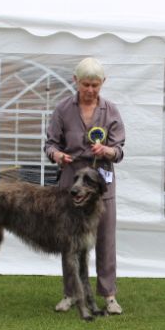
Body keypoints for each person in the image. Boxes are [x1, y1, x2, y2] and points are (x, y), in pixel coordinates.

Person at [44, 57, 125, 315]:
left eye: (96, 85)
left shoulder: (110, 110)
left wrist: (107, 150)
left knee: (105, 240)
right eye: (86, 84)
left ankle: (109, 295)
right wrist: (57, 155)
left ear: (103, 83)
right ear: (75, 81)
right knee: (70, 242)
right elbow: (50, 144)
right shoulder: (62, 109)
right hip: (72, 184)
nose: (90, 90)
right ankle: (70, 293)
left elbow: (120, 150)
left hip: (101, 184)